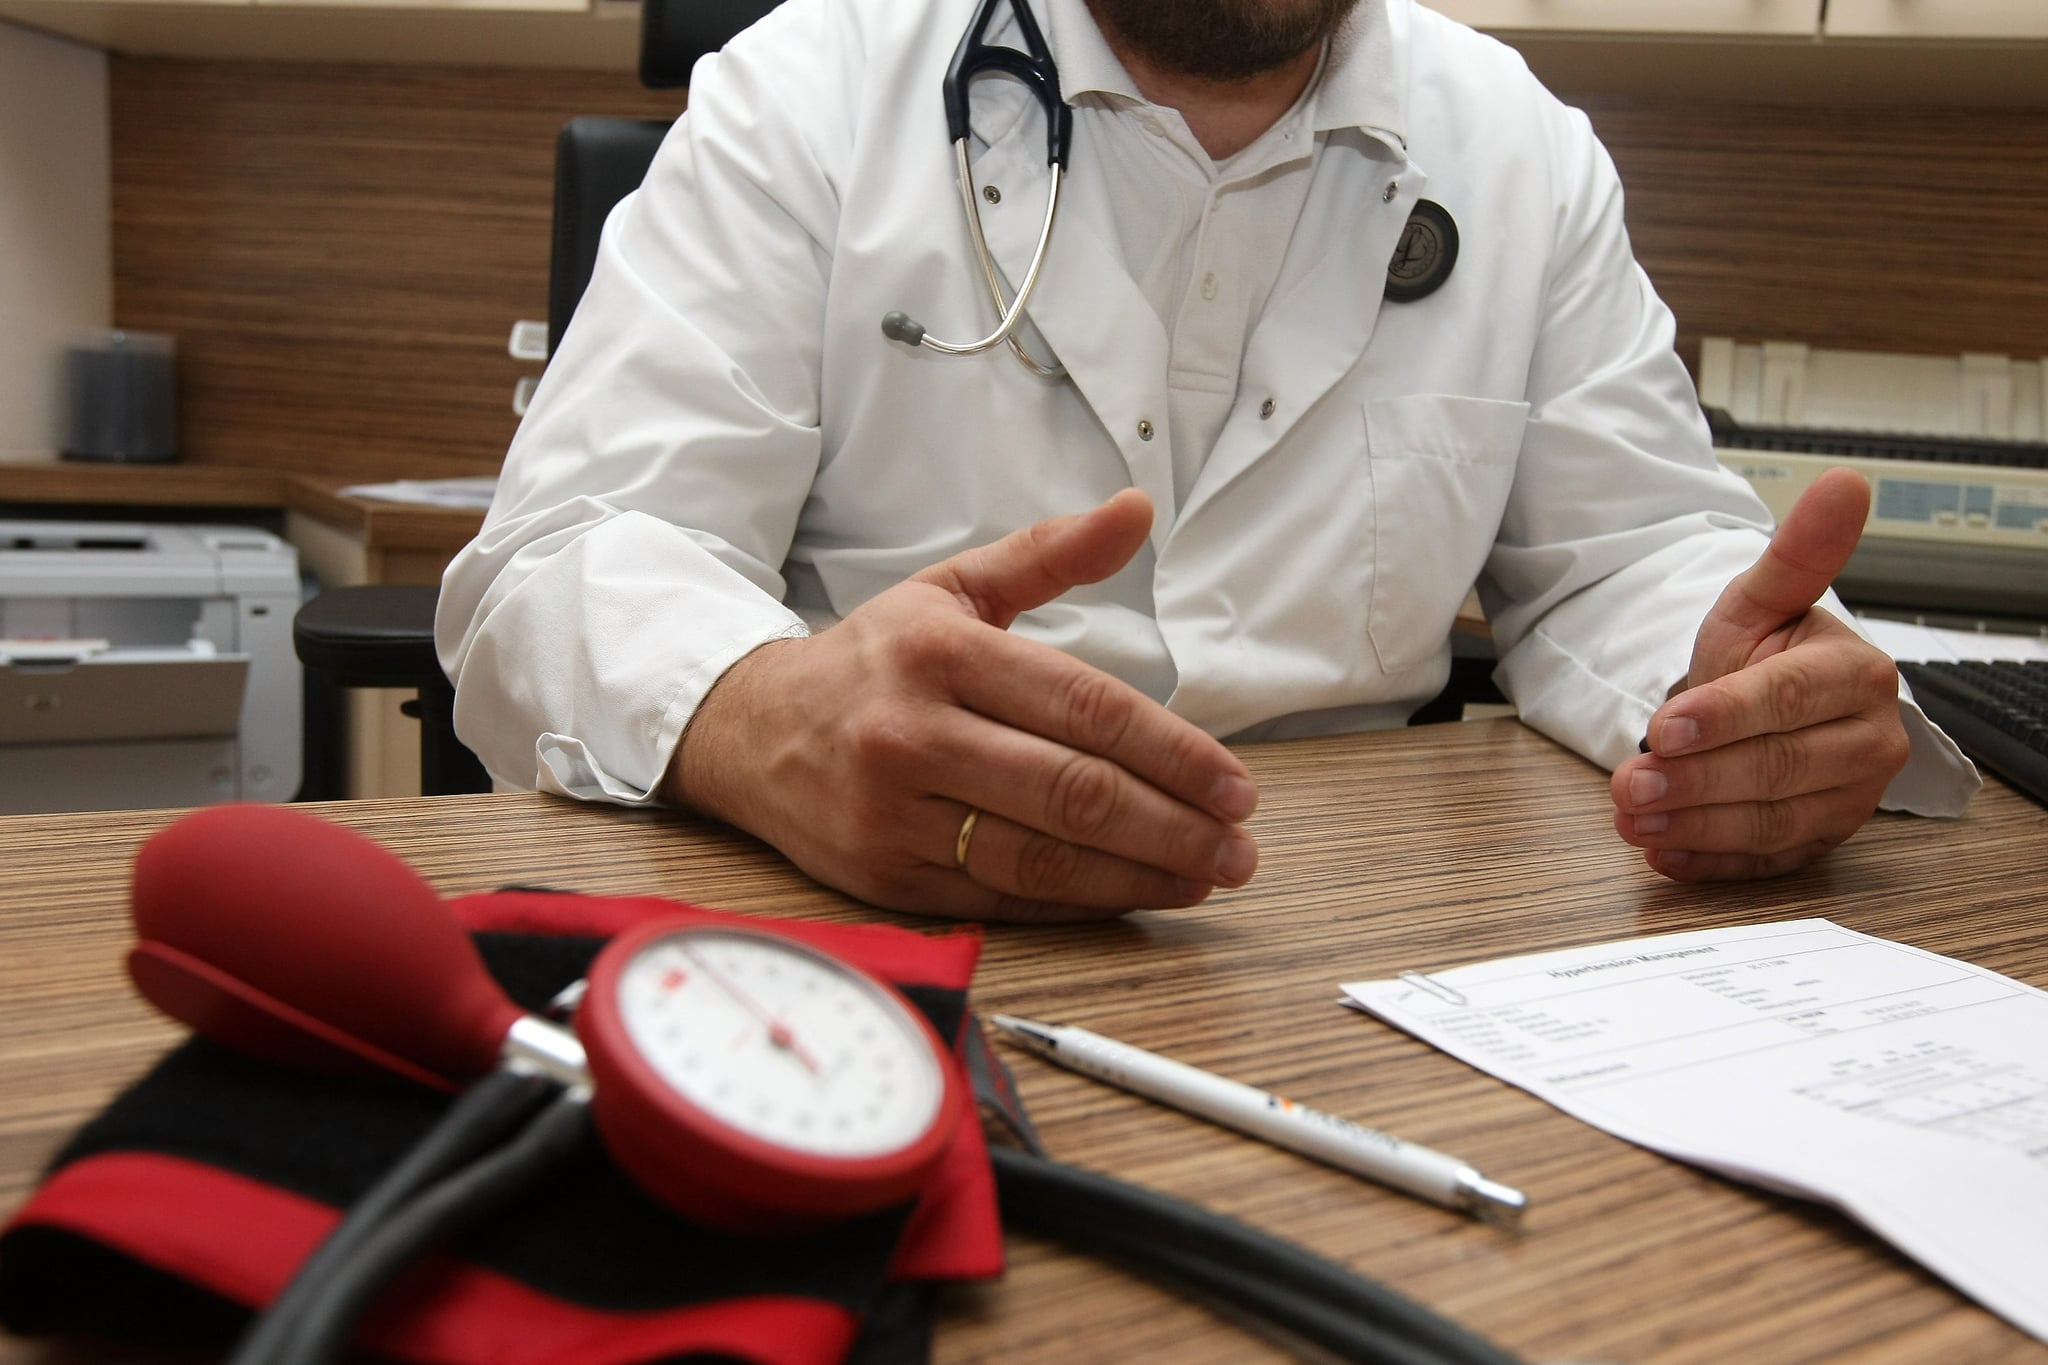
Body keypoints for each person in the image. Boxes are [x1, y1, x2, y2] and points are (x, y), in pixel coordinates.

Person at [437, 0, 1978, 921]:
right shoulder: (812, 86)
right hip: (868, 910)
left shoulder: (1517, 145)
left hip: (1372, 947)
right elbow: (565, 556)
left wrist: (1740, 712)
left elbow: (1630, 556)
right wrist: (763, 716)